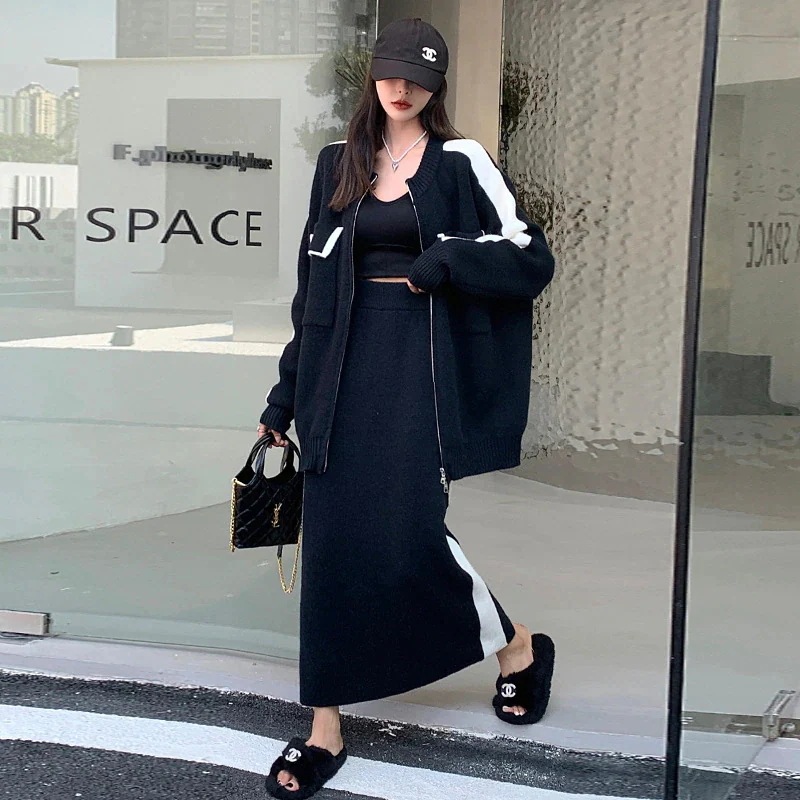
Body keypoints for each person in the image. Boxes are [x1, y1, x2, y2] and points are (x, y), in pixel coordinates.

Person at [258, 18, 556, 799]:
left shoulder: (461, 160)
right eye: (392, 74)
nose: (403, 88)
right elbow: (311, 293)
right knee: (331, 543)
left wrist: (445, 258)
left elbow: (530, 254)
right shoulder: (337, 163)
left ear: (436, 87)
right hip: (338, 370)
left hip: (418, 369)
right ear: (374, 76)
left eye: (419, 79)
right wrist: (284, 397)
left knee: (407, 532)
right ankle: (324, 727)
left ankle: (517, 645)